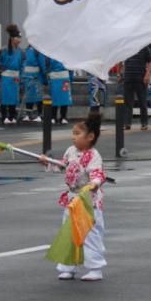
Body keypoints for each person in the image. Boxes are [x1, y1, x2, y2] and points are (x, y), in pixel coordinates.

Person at [40, 112, 107, 282]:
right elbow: (62, 167)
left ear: (90, 137)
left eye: (77, 134)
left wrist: (94, 183)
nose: (73, 137)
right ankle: (68, 267)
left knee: (90, 234)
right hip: (72, 199)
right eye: (73, 134)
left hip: (88, 201)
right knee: (69, 233)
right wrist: (48, 162)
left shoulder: (93, 155)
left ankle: (95, 268)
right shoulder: (71, 151)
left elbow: (98, 174)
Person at [0, 24, 24, 124]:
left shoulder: (21, 52)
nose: (19, 40)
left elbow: (23, 65)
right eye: (18, 38)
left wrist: (20, 76)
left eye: (20, 38)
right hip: (5, 78)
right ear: (12, 38)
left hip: (15, 77)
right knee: (4, 98)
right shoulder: (3, 50)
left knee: (14, 98)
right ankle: (4, 116)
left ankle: (11, 116)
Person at [121, 45, 151, 130]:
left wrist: (147, 74)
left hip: (141, 78)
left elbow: (150, 62)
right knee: (127, 102)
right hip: (128, 78)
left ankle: (144, 123)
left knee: (142, 102)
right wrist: (119, 73)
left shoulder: (144, 47)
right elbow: (120, 60)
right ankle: (127, 123)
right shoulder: (126, 47)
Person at [21, 43, 47, 122]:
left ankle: (31, 114)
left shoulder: (27, 50)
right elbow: (43, 65)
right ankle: (37, 114)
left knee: (31, 96)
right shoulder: (38, 50)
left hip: (30, 76)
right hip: (34, 76)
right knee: (35, 95)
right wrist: (45, 78)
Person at [46, 56, 73, 125]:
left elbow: (46, 67)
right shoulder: (66, 55)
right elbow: (71, 68)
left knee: (55, 98)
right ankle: (62, 117)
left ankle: (54, 117)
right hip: (64, 78)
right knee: (64, 98)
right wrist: (70, 78)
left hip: (55, 78)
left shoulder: (50, 55)